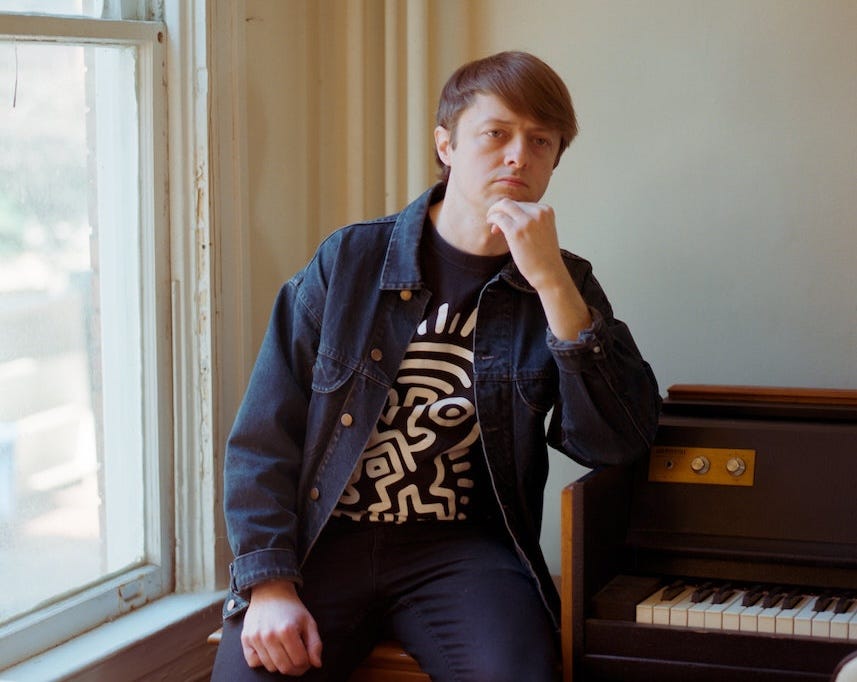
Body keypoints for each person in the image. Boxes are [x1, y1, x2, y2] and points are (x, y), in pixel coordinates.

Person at [212, 51, 661, 681]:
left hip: (464, 550)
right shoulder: (349, 262)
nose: (518, 157)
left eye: (541, 141)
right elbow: (264, 437)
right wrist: (268, 584)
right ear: (445, 144)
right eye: (496, 134)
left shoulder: (566, 282)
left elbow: (615, 442)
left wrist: (555, 287)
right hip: (323, 541)